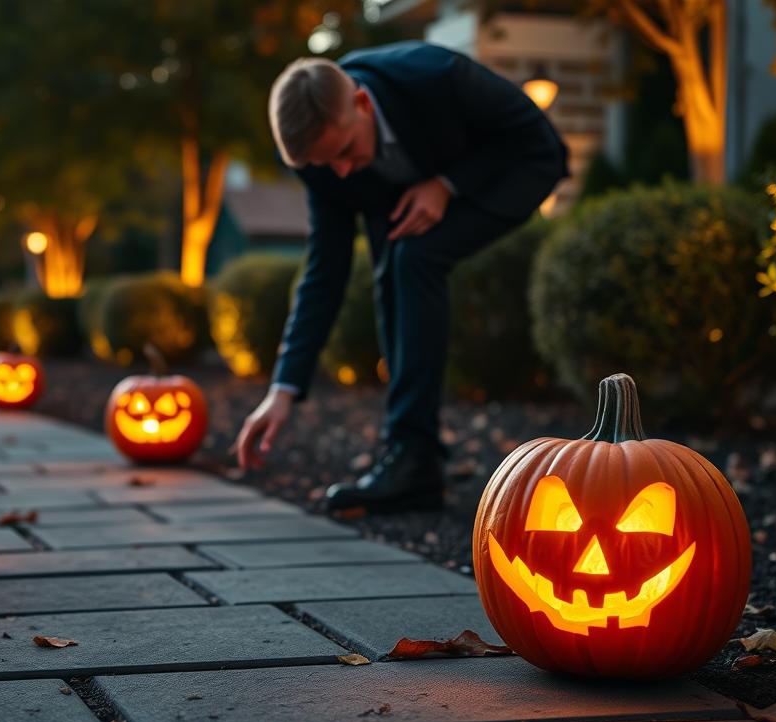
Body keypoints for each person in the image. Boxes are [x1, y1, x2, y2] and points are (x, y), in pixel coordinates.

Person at [233, 41, 568, 513]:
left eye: (346, 151)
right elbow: (325, 268)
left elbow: (537, 141)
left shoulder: (438, 76)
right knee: (396, 264)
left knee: (415, 255)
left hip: (517, 167)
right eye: (326, 164)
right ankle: (414, 464)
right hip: (407, 190)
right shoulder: (320, 153)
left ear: (363, 103)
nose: (342, 173)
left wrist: (448, 185)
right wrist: (282, 390)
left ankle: (413, 457)